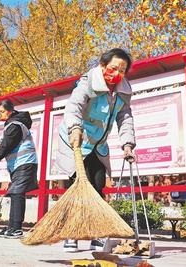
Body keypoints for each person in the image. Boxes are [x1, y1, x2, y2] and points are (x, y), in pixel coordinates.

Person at [56, 48, 136, 252]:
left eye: (123, 70)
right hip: (76, 141)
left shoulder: (123, 91)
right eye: (113, 68)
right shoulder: (87, 83)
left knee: (98, 187)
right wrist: (75, 128)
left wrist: (128, 143)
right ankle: (71, 235)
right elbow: (73, 106)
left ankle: (97, 235)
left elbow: (124, 117)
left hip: (98, 145)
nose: (117, 73)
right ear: (102, 65)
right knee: (79, 187)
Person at [0, 99, 38, 239]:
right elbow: (5, 144)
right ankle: (12, 227)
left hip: (25, 163)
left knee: (18, 192)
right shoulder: (12, 125)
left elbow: (6, 147)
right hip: (19, 164)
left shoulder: (14, 125)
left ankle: (17, 229)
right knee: (15, 193)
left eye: (2, 112)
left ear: (10, 111)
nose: (0, 115)